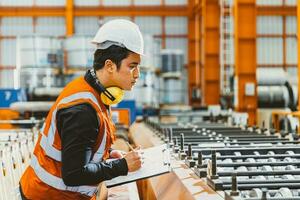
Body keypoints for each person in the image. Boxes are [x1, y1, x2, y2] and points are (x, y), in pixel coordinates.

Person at [19, 19, 143, 200]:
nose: (137, 74)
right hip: (48, 195)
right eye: (132, 66)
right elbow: (74, 174)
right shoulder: (83, 110)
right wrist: (122, 166)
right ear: (109, 66)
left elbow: (81, 149)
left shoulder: (96, 93)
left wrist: (107, 156)